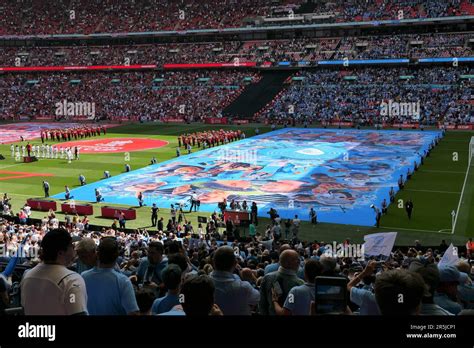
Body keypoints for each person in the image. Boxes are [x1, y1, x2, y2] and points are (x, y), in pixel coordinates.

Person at [21, 229, 88, 315]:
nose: (74, 249)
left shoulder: (27, 276)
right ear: (60, 253)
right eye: (71, 246)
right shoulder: (72, 280)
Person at [82, 237, 139, 315]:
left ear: (97, 254)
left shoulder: (83, 276)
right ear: (116, 256)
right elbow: (133, 313)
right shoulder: (123, 281)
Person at [210, 246, 260, 315]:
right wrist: (249, 280)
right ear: (235, 263)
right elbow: (256, 299)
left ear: (213, 262)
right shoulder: (244, 287)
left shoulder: (202, 283)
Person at [259, 249, 304, 315]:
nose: (299, 262)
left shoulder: (267, 277)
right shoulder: (300, 284)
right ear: (288, 263)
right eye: (297, 260)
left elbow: (262, 304)